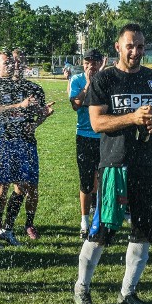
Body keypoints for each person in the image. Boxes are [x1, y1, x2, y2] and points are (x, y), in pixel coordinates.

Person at [73, 23, 152, 304]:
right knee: (101, 231)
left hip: (148, 166)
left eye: (141, 46)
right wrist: (132, 117)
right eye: (130, 46)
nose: (136, 52)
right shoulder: (104, 80)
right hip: (115, 165)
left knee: (142, 231)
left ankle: (129, 292)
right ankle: (82, 289)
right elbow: (98, 123)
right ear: (118, 47)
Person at [0, 52, 42, 248]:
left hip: (22, 142)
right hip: (2, 141)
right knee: (0, 189)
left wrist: (42, 114)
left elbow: (31, 113)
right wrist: (19, 104)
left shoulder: (22, 86)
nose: (10, 65)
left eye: (12, 62)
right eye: (5, 63)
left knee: (22, 186)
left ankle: (7, 229)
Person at [69, 48, 103, 239]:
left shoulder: (105, 79)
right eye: (87, 62)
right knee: (86, 181)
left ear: (99, 63)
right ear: (83, 63)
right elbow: (75, 104)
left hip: (103, 136)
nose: (91, 65)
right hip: (84, 136)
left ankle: (97, 221)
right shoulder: (77, 80)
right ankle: (84, 221)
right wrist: (88, 83)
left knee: (102, 180)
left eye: (94, 62)